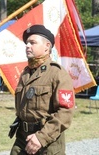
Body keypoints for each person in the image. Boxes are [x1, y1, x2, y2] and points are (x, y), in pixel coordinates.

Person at [9, 25, 75, 155]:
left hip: (47, 142)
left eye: (32, 42)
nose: (27, 46)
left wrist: (41, 137)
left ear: (47, 46)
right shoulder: (26, 73)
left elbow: (65, 112)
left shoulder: (57, 73)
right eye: (27, 43)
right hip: (22, 138)